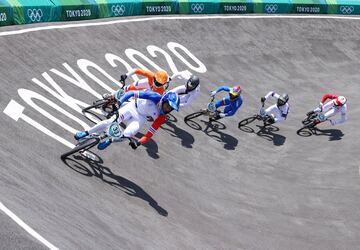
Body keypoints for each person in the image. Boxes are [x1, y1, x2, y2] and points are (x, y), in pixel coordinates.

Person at [74, 90, 180, 150]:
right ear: (163, 100)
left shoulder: (162, 117)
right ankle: (85, 133)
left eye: (170, 109)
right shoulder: (154, 96)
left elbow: (149, 134)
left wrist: (138, 143)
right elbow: (130, 93)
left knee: (128, 134)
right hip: (132, 107)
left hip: (140, 118)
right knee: (110, 121)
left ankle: (110, 140)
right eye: (167, 106)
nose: (167, 109)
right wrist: (119, 103)